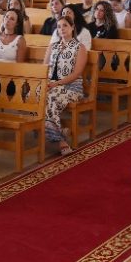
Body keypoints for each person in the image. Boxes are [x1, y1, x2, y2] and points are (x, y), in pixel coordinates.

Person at [44, 13, 88, 155]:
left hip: (71, 87)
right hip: (52, 85)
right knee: (34, 96)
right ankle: (59, 131)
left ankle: (61, 142)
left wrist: (56, 84)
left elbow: (76, 74)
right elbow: (44, 67)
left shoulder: (79, 47)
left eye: (65, 26)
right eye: (59, 26)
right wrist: (47, 83)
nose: (62, 29)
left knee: (50, 98)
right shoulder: (53, 46)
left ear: (72, 27)